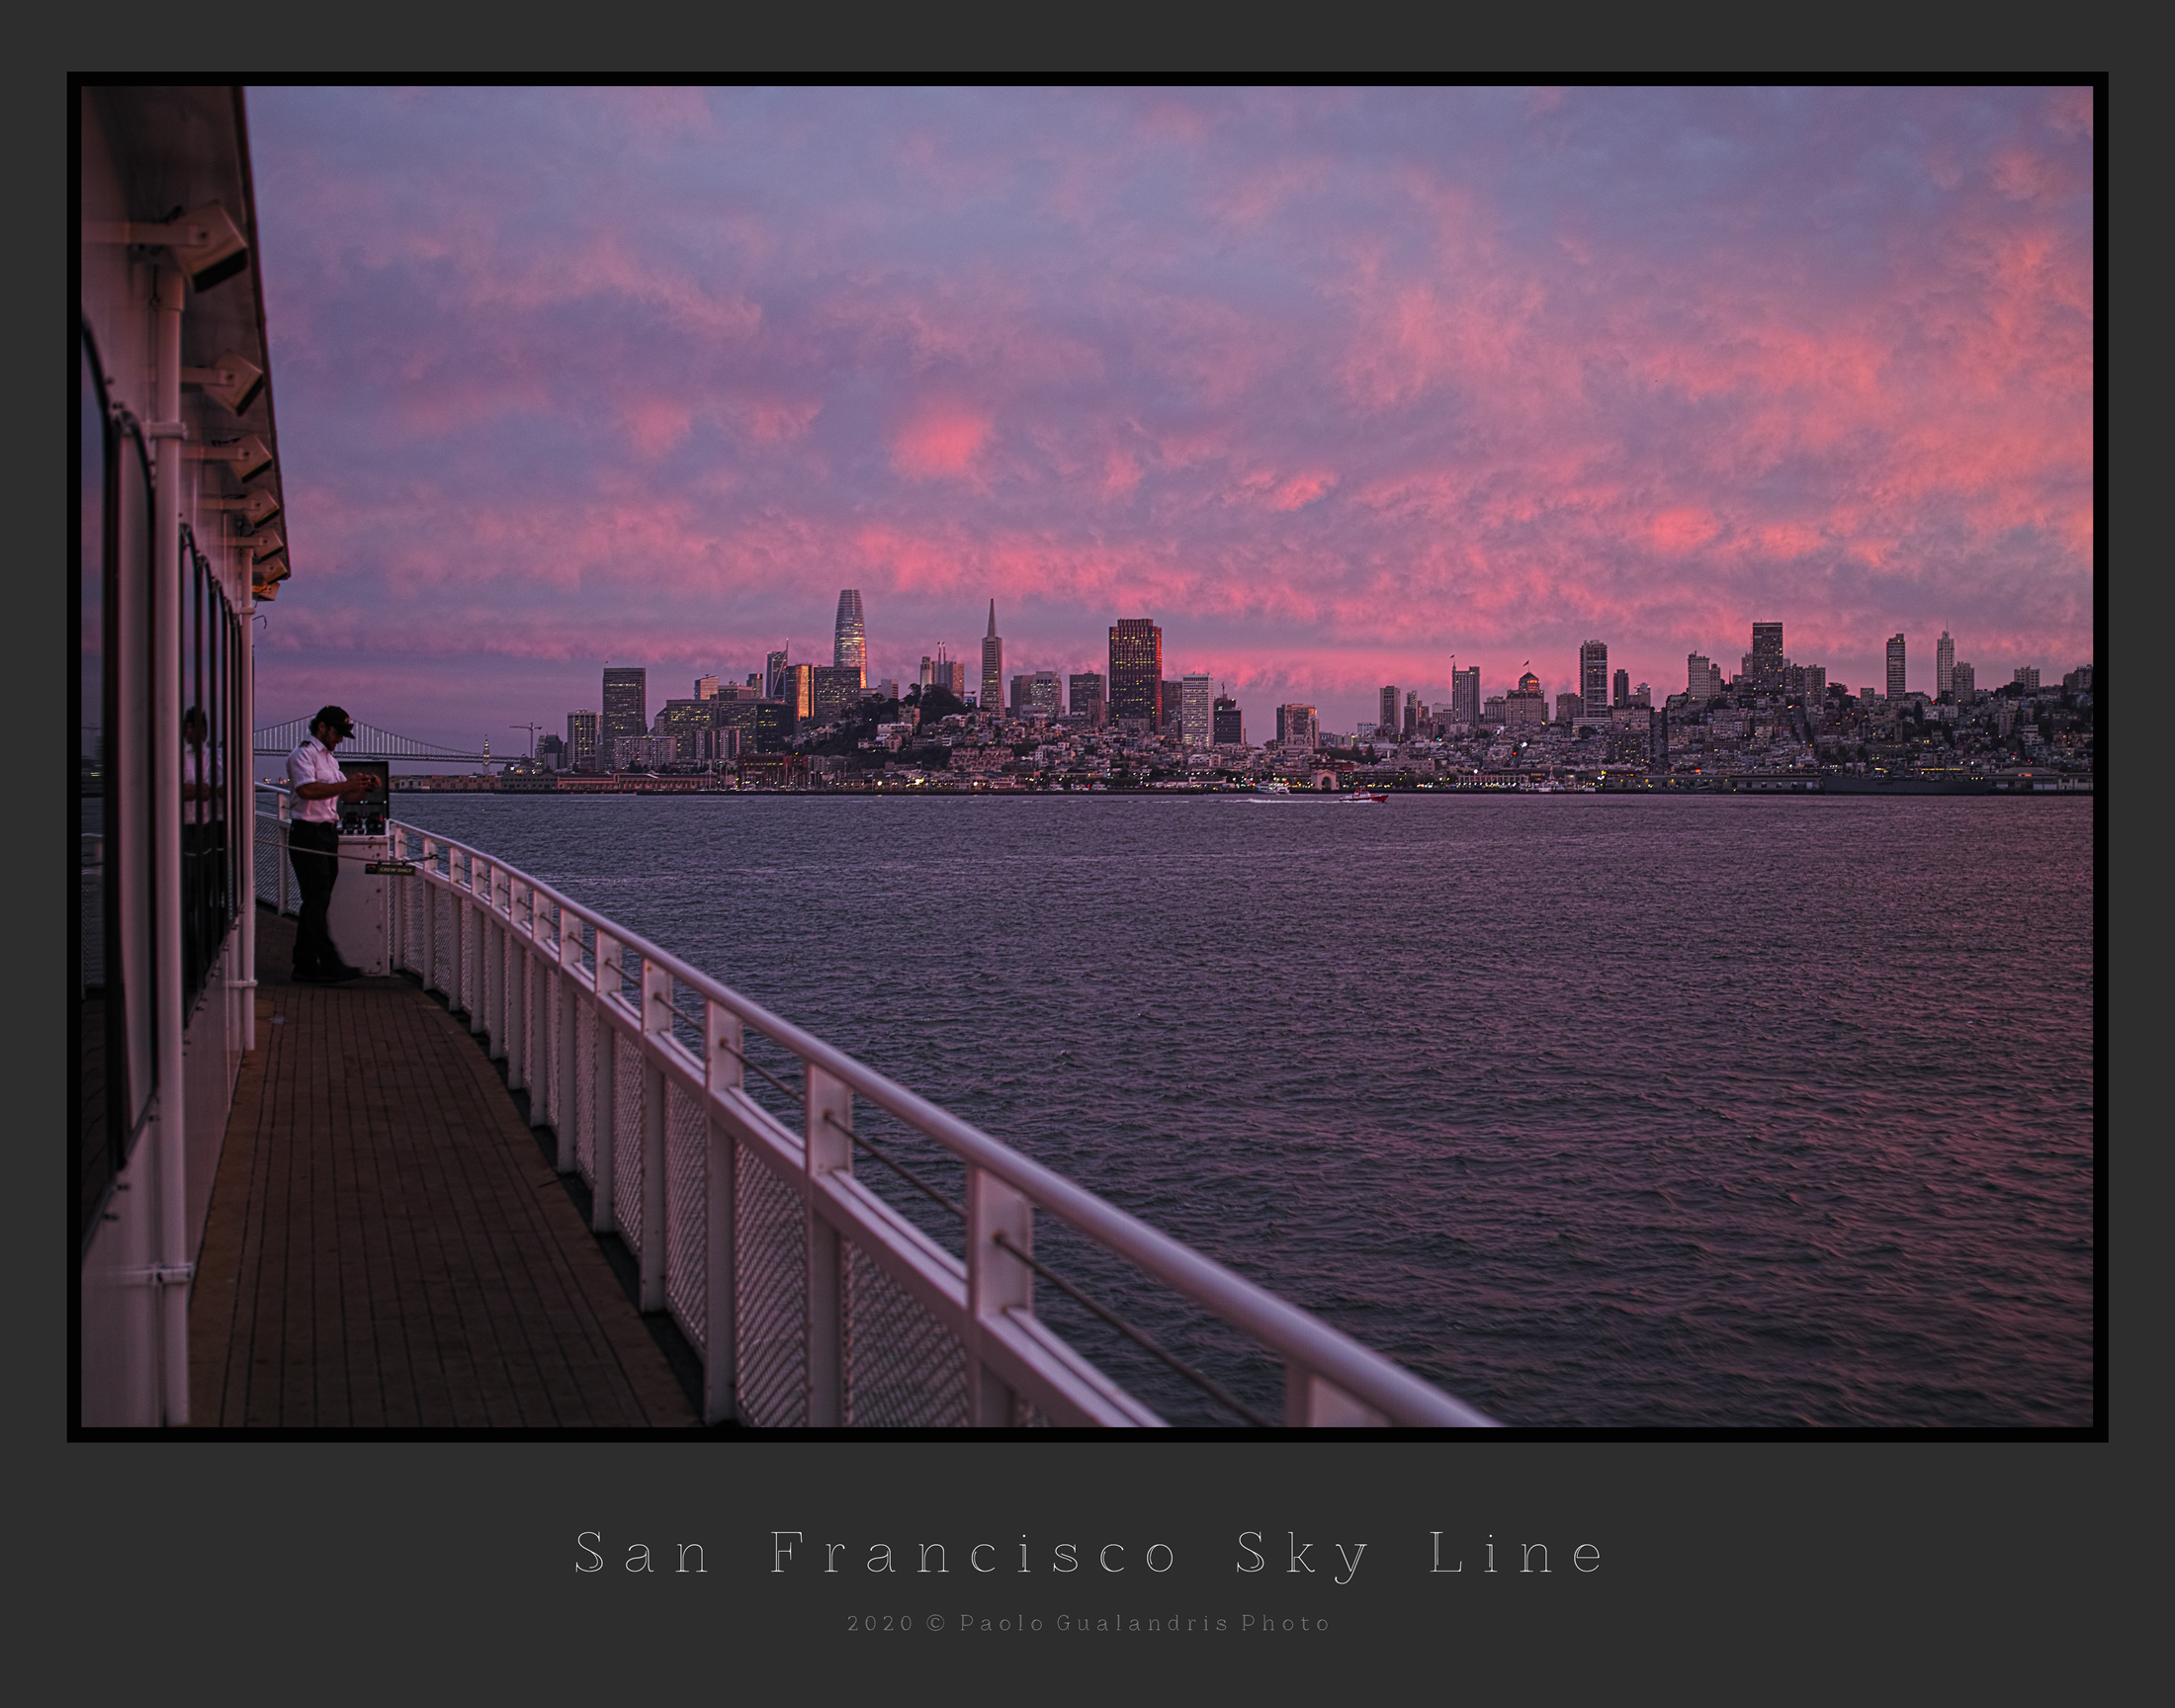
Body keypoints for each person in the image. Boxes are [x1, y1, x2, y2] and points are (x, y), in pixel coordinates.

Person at [285, 706, 377, 982]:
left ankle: (303, 964)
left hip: (327, 834)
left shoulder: (330, 761)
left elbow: (346, 798)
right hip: (307, 833)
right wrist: (346, 786)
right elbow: (307, 790)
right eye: (337, 733)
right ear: (321, 727)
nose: (339, 740)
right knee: (317, 899)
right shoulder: (302, 755)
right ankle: (329, 962)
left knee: (316, 902)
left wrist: (364, 788)